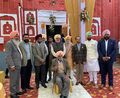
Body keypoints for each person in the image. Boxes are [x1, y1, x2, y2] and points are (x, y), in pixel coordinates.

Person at [5, 31, 23, 98]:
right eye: (16, 35)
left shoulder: (16, 43)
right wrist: (12, 65)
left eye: (18, 35)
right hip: (13, 66)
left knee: (17, 79)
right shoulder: (9, 43)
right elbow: (8, 56)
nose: (17, 36)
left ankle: (17, 91)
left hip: (18, 64)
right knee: (13, 79)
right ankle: (12, 93)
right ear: (12, 36)